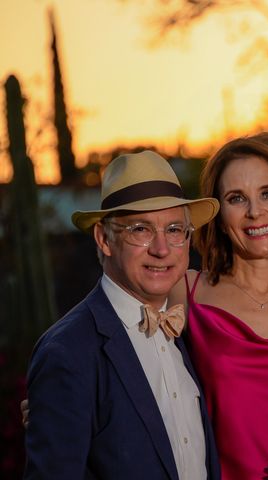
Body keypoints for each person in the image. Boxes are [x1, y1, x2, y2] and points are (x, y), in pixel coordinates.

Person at [24, 151, 221, 480]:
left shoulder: (183, 332)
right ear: (104, 239)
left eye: (174, 229)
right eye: (141, 229)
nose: (161, 249)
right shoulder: (67, 352)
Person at [168, 133, 268, 479]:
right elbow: (116, 339)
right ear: (218, 214)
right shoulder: (186, 290)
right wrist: (69, 395)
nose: (255, 212)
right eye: (236, 198)